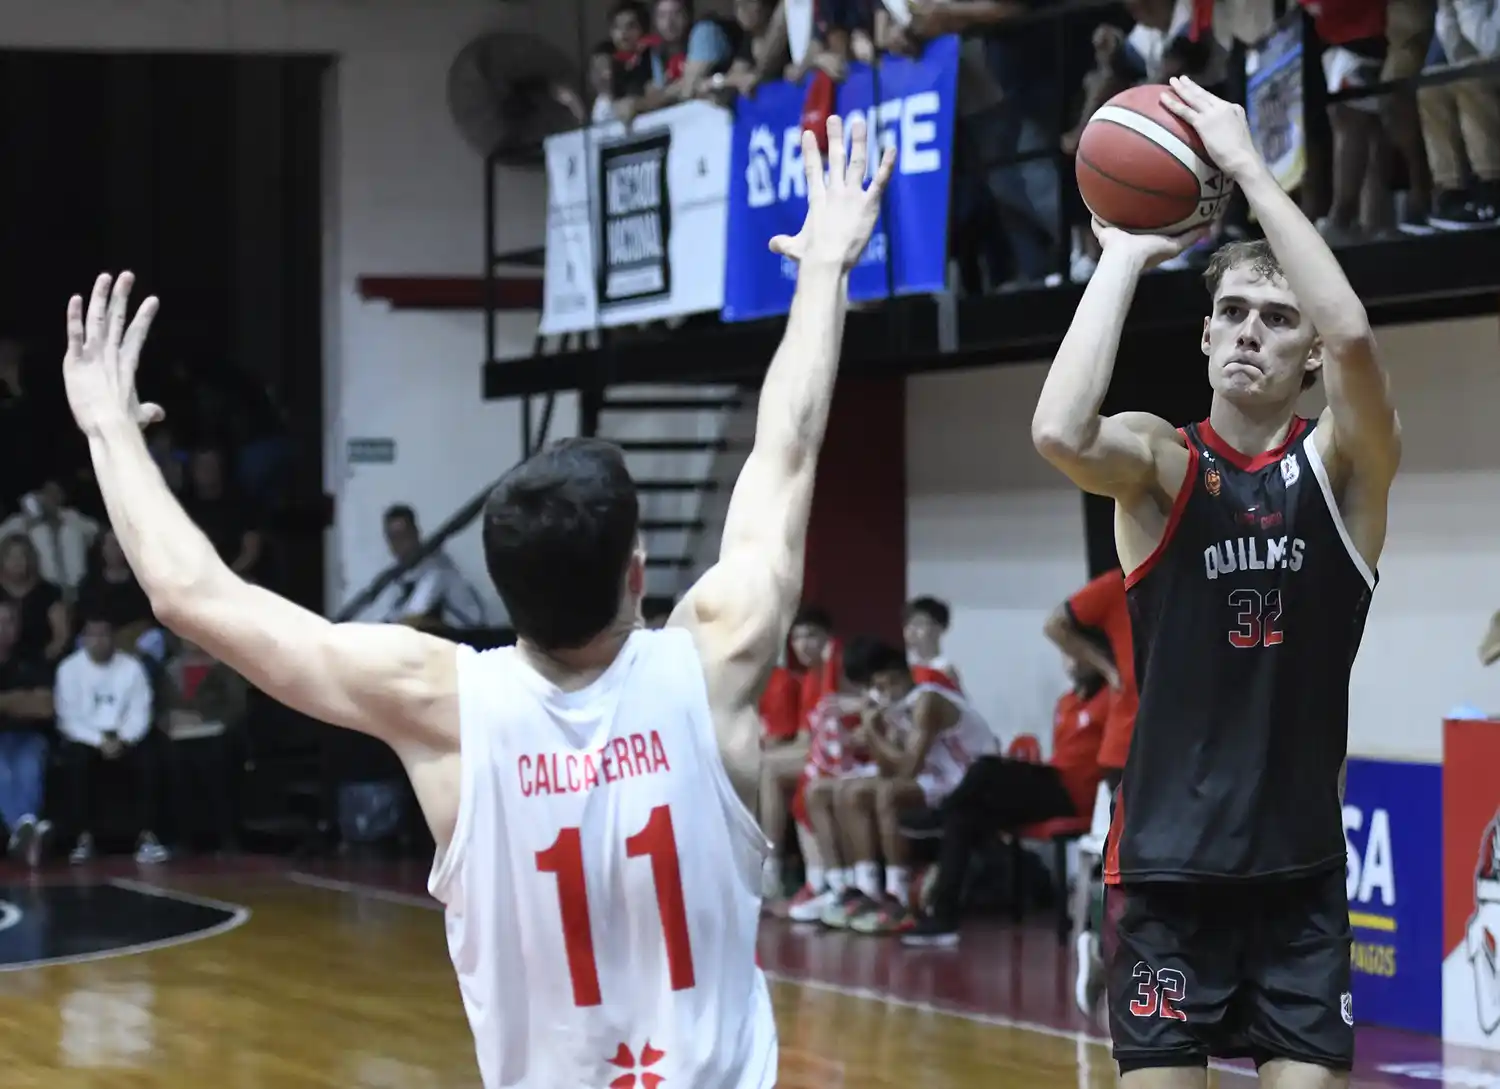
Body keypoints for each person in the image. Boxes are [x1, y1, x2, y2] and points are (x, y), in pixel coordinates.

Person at [61, 113, 894, 1089]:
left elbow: (188, 592)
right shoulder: (717, 656)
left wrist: (110, 429)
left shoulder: (446, 704)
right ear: (637, 573)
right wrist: (826, 268)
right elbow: (786, 447)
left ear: (503, 587)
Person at [1031, 76, 1399, 1086]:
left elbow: (1359, 334)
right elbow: (1059, 431)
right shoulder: (1159, 466)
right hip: (1166, 879)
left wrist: (1246, 169)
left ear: (1309, 357)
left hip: (1299, 885)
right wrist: (1120, 256)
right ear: (1201, 335)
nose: (1246, 331)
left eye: (1278, 320)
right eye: (1230, 312)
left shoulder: (1342, 474)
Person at [901, 651, 1107, 947]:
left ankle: (940, 813)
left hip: (1075, 794)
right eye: (1067, 656)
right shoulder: (1067, 702)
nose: (1072, 661)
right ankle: (943, 920)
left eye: (1079, 655)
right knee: (964, 817)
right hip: (1052, 780)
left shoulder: (1111, 699)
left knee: (986, 767)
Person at [54, 614, 166, 864]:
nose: (99, 641)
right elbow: (68, 718)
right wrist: (99, 741)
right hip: (86, 738)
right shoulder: (69, 669)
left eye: (104, 634)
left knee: (150, 759)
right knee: (76, 761)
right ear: (83, 639)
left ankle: (147, 836)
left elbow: (141, 711)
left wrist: (123, 739)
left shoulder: (132, 667)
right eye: (92, 635)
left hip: (125, 736)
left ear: (113, 637)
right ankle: (82, 839)